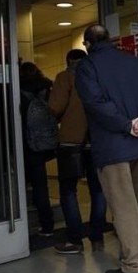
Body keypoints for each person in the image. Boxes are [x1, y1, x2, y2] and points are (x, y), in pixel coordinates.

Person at [76, 24, 138, 273]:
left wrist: (126, 125)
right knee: (133, 204)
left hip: (114, 147)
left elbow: (95, 103)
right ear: (110, 40)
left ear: (87, 44)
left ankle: (134, 266)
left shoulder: (87, 67)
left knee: (124, 209)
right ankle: (135, 256)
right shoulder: (134, 62)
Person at [48, 49, 107, 254]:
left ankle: (75, 241)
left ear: (68, 61)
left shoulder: (64, 77)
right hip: (97, 139)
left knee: (68, 191)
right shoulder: (99, 76)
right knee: (98, 190)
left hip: (71, 142)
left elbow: (55, 106)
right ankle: (98, 238)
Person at [19, 62, 55, 237]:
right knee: (41, 184)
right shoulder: (47, 87)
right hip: (46, 143)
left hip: (26, 144)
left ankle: (24, 219)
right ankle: (47, 224)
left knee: (31, 182)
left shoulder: (17, 91)